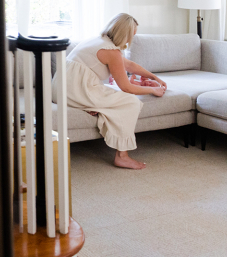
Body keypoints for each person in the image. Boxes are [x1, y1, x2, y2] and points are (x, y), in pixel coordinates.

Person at [54, 13, 167, 169]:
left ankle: (94, 106)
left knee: (115, 95)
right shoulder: (111, 52)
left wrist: (155, 78)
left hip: (59, 89)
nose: (130, 40)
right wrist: (152, 90)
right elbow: (126, 88)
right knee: (131, 102)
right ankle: (122, 156)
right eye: (131, 36)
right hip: (75, 90)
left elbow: (129, 65)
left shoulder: (99, 41)